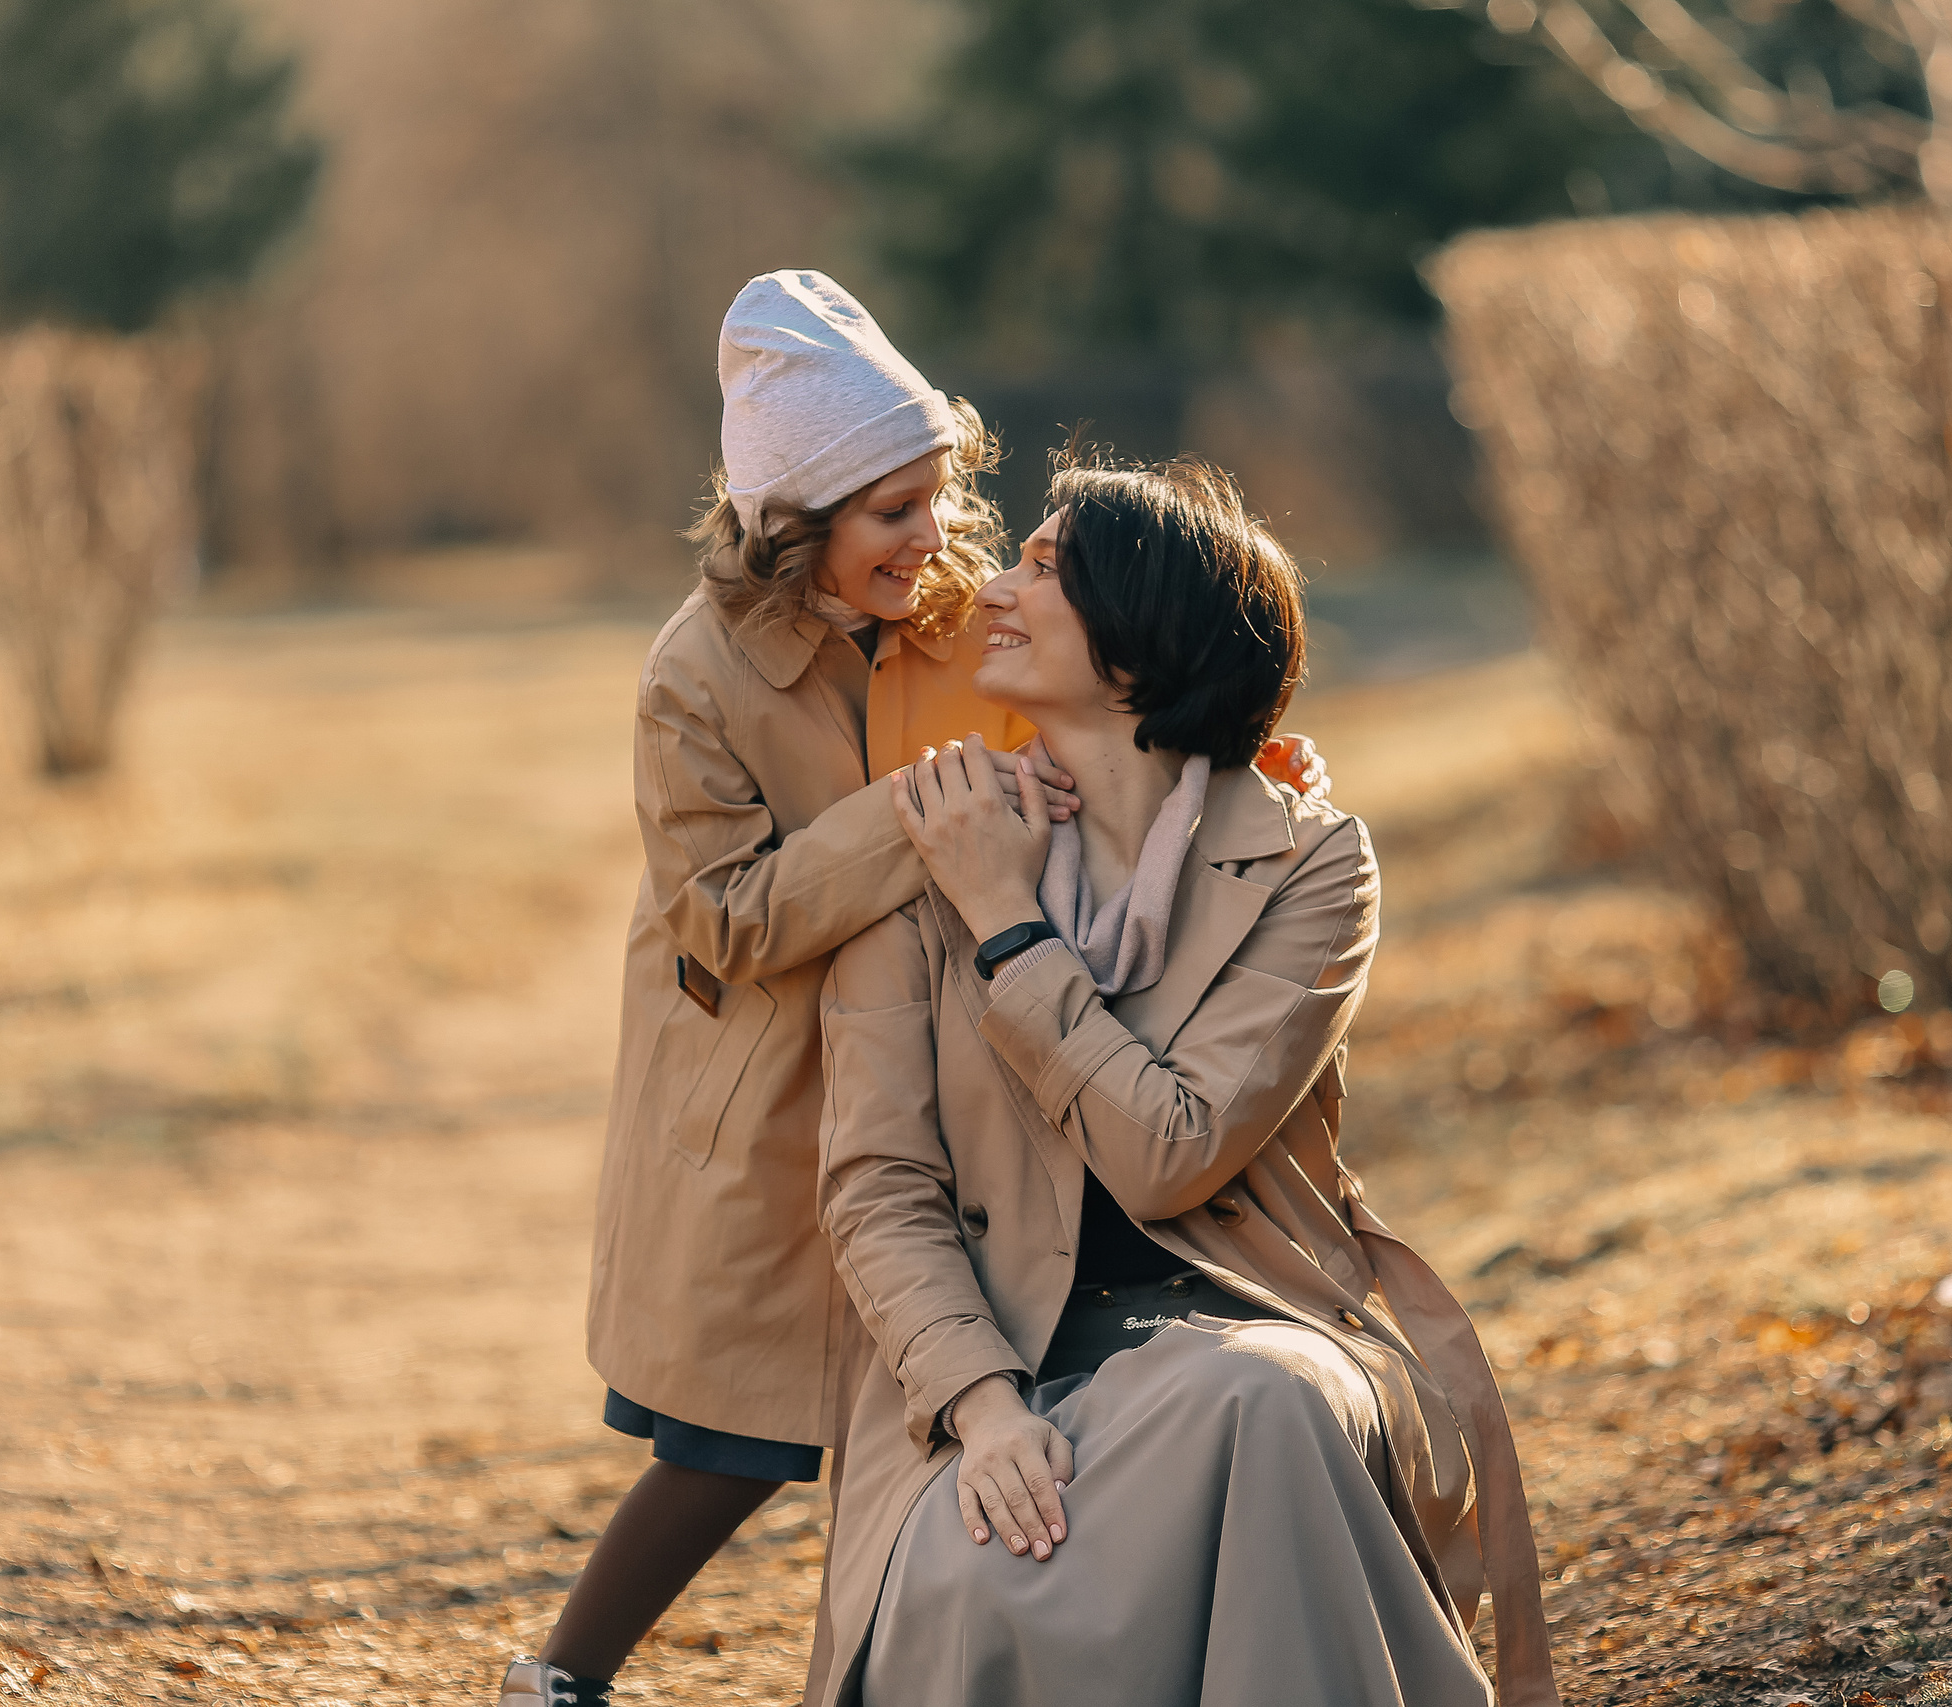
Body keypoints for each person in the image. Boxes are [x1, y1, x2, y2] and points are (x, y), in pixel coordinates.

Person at [496, 275, 1322, 1707]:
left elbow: (1102, 719)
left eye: (938, 496)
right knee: (735, 1434)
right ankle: (561, 1676)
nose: (934, 535)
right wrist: (911, 816)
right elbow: (723, 916)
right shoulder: (694, 675)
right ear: (791, 518)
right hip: (772, 1086)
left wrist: (1229, 767)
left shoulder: (964, 620)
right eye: (891, 510)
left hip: (960, 1059)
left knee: (938, 1374)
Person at [811, 458, 1557, 1706]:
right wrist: (983, 1407)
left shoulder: (1310, 865)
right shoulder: (934, 836)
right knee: (985, 1573)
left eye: (1044, 569)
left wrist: (1009, 927)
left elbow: (1171, 1153)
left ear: (1139, 637)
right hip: (995, 1357)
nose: (991, 589)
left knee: (1264, 1403)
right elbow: (877, 1187)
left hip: (1250, 1313)